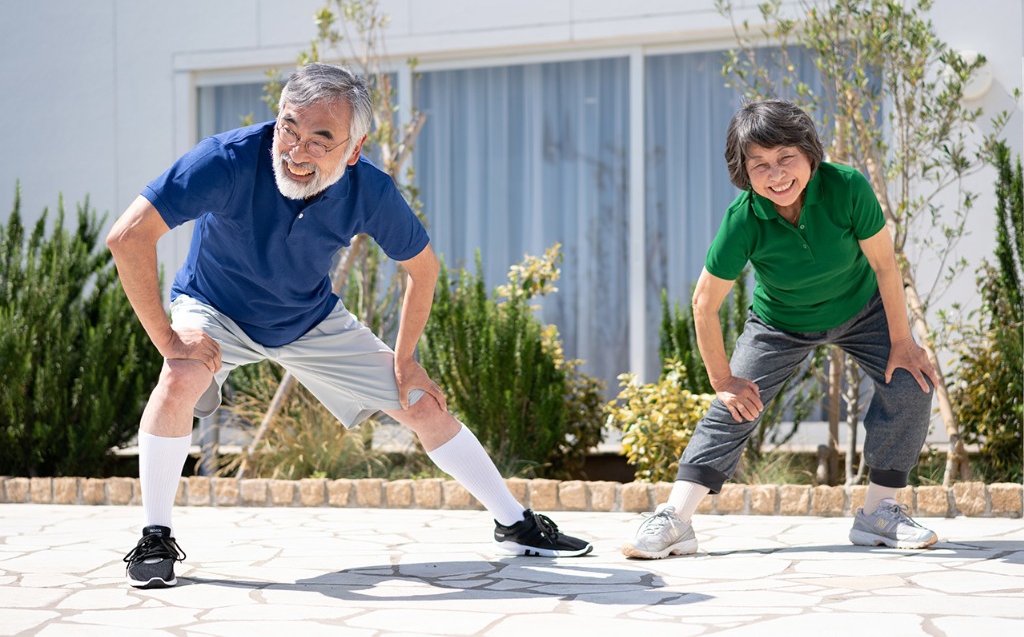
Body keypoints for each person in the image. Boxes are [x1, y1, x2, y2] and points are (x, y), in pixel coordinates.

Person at [108, 62, 591, 589]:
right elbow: (128, 237)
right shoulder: (226, 160)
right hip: (213, 307)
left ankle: (516, 523)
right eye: (289, 128)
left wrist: (406, 363)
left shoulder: (370, 190)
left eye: (321, 139)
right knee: (178, 377)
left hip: (308, 319)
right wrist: (170, 340)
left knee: (420, 402)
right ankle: (154, 537)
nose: (297, 151)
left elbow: (422, 270)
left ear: (353, 149)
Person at [622, 99, 938, 559]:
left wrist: (903, 343)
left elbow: (885, 266)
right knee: (735, 404)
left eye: (786, 157)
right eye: (760, 165)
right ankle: (675, 519)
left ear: (810, 153)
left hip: (862, 306)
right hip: (780, 322)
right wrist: (723, 380)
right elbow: (703, 303)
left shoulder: (847, 187)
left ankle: (879, 514)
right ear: (744, 173)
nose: (776, 175)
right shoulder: (745, 217)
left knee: (912, 382)